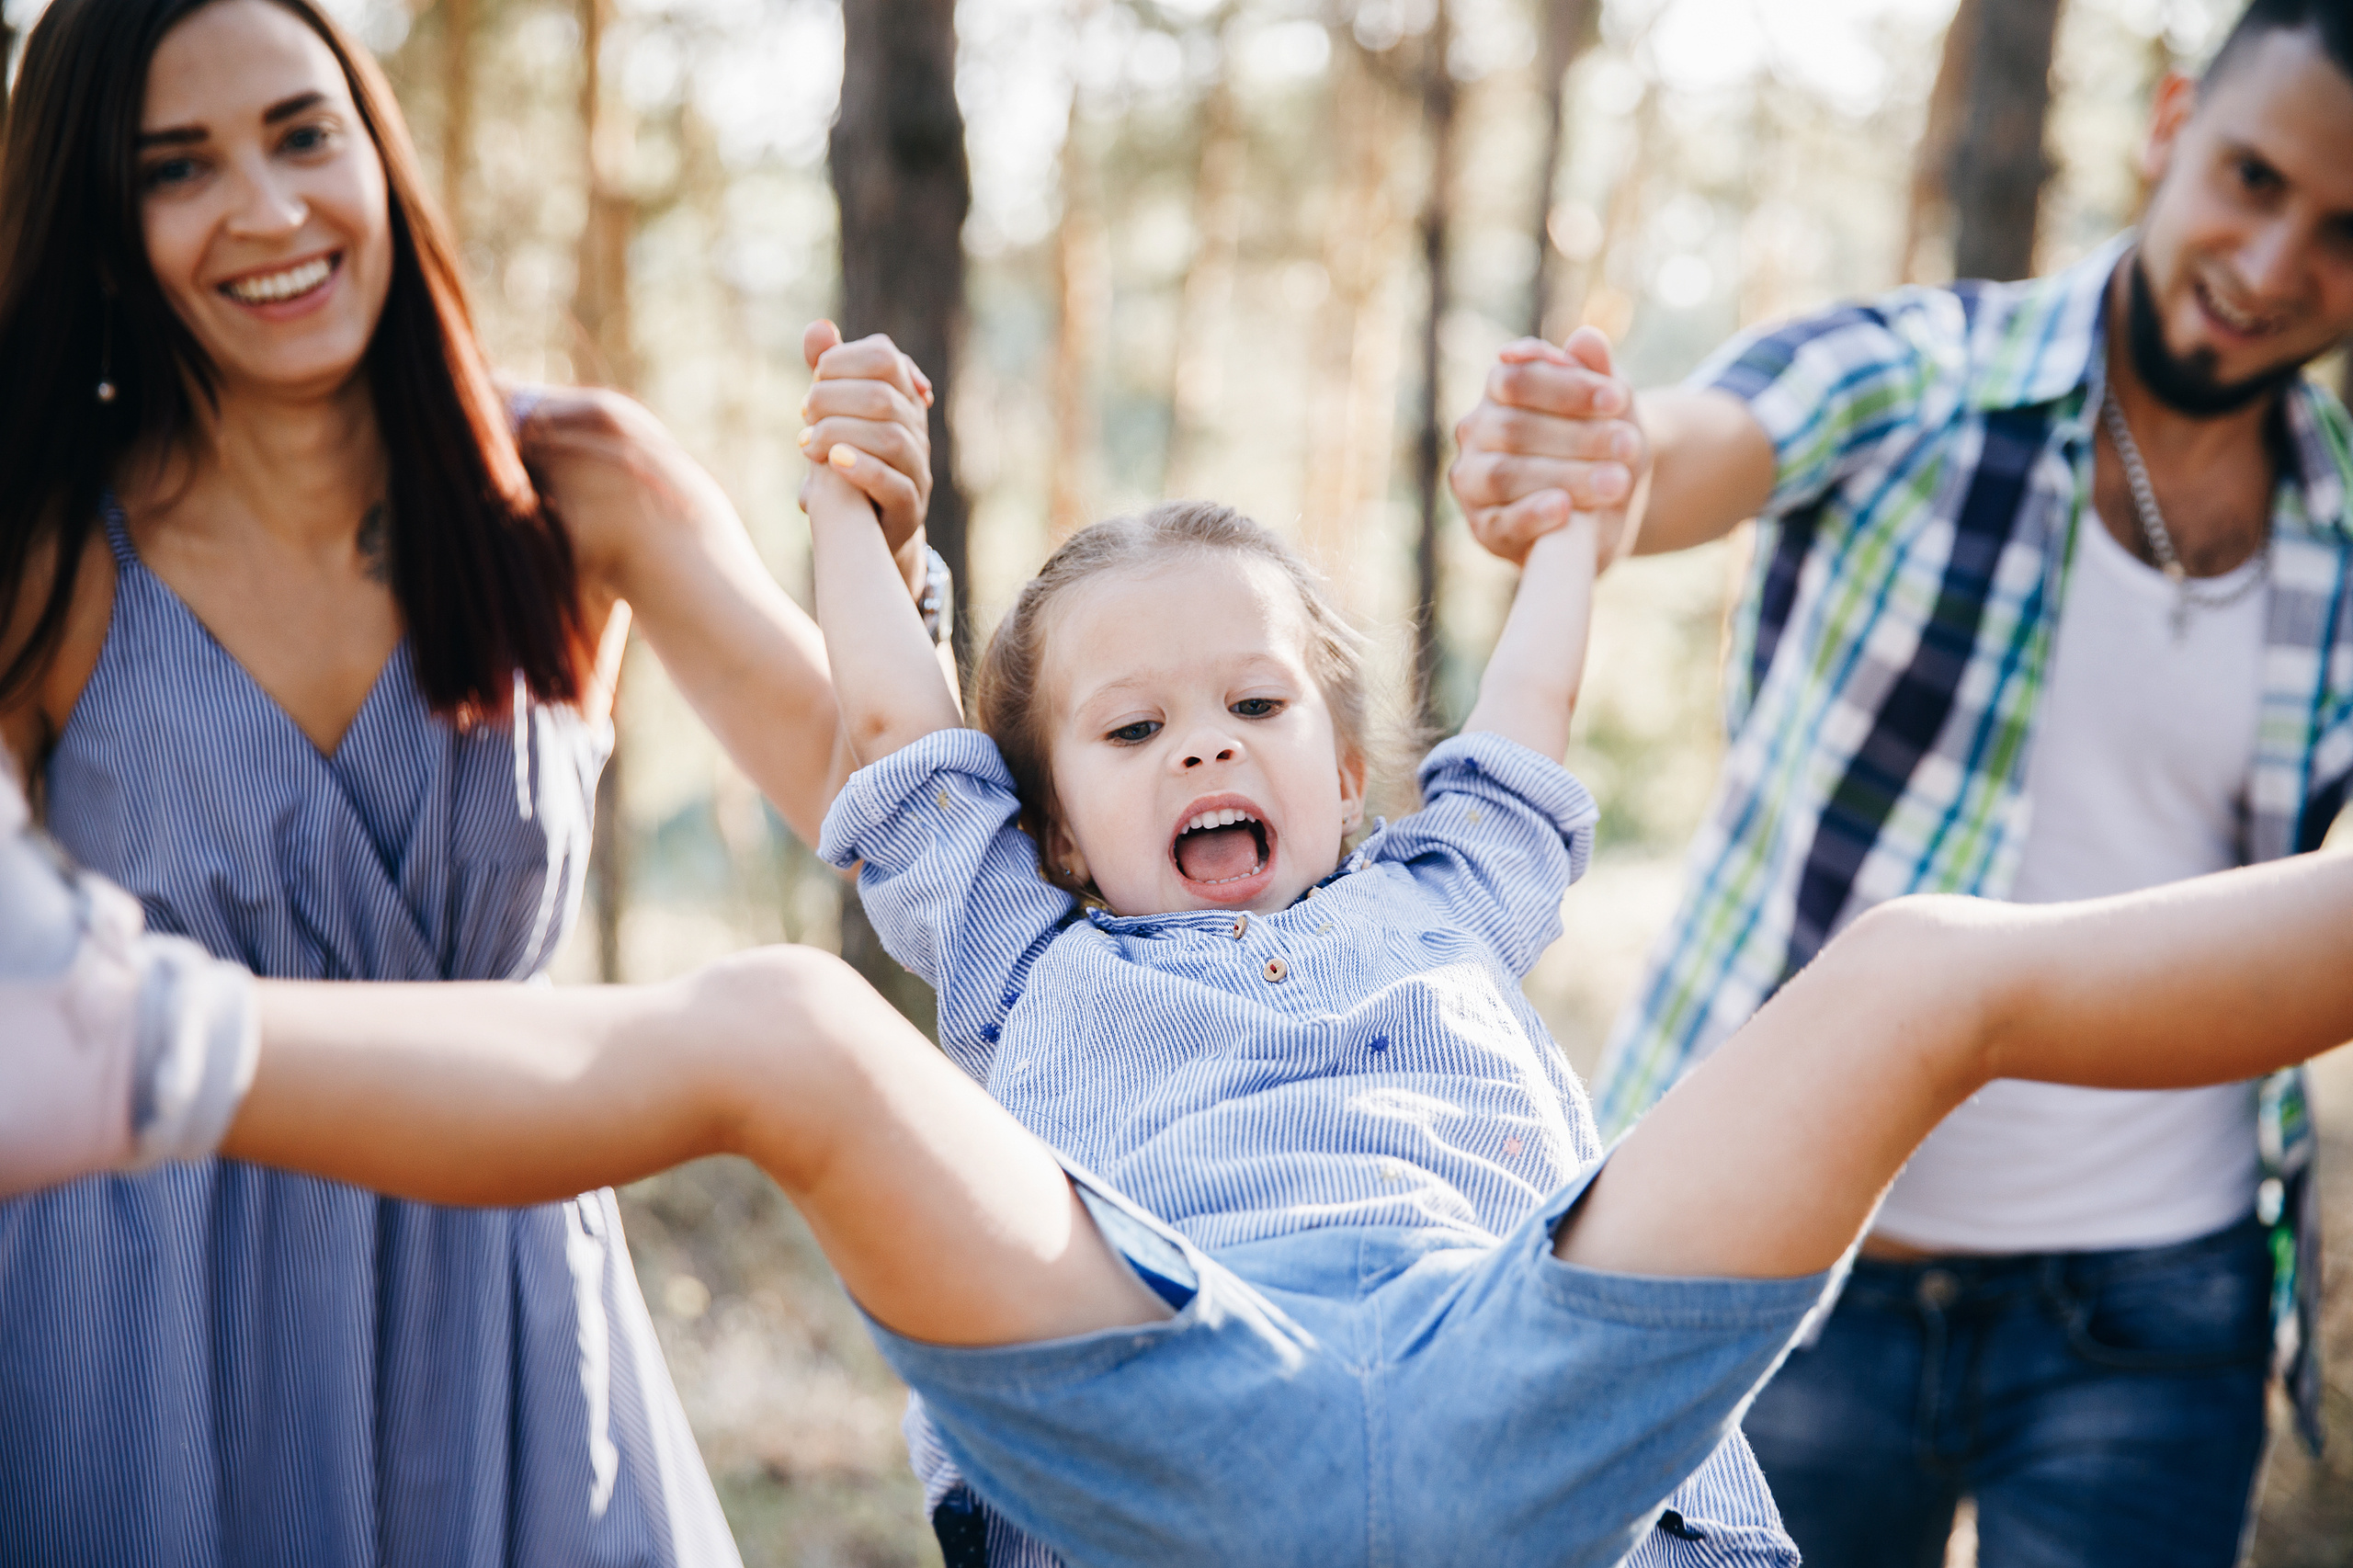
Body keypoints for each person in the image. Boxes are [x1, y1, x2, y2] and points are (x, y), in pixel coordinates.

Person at [12, 467, 2353, 1567]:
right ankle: (138, 1037)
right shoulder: (1020, 937)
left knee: (1925, 967)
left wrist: (1569, 517)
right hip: (1163, 1415)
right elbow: (898, 728)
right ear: (1038, 813)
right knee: (785, 1033)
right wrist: (852, 499)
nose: (1202, 749)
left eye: (1250, 704)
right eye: (1125, 736)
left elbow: (1532, 688)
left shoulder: (1449, 882)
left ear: (1349, 757)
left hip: (1541, 1398)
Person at [0, 0, 941, 1561]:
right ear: (106, 229)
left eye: (305, 134)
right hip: (139, 1338)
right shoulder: (44, 551)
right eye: (181, 167)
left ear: (380, 151)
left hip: (504, 1312)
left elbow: (898, 828)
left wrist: (879, 561)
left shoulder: (576, 490)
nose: (271, 208)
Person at [1448, 3, 2353, 1561]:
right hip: (1779, 1265)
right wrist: (1598, 461)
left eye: (2345, 231)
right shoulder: (1922, 368)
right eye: (2253, 178)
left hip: (2149, 1306)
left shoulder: (2338, 540)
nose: (2273, 266)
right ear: (2169, 124)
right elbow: (1701, 443)